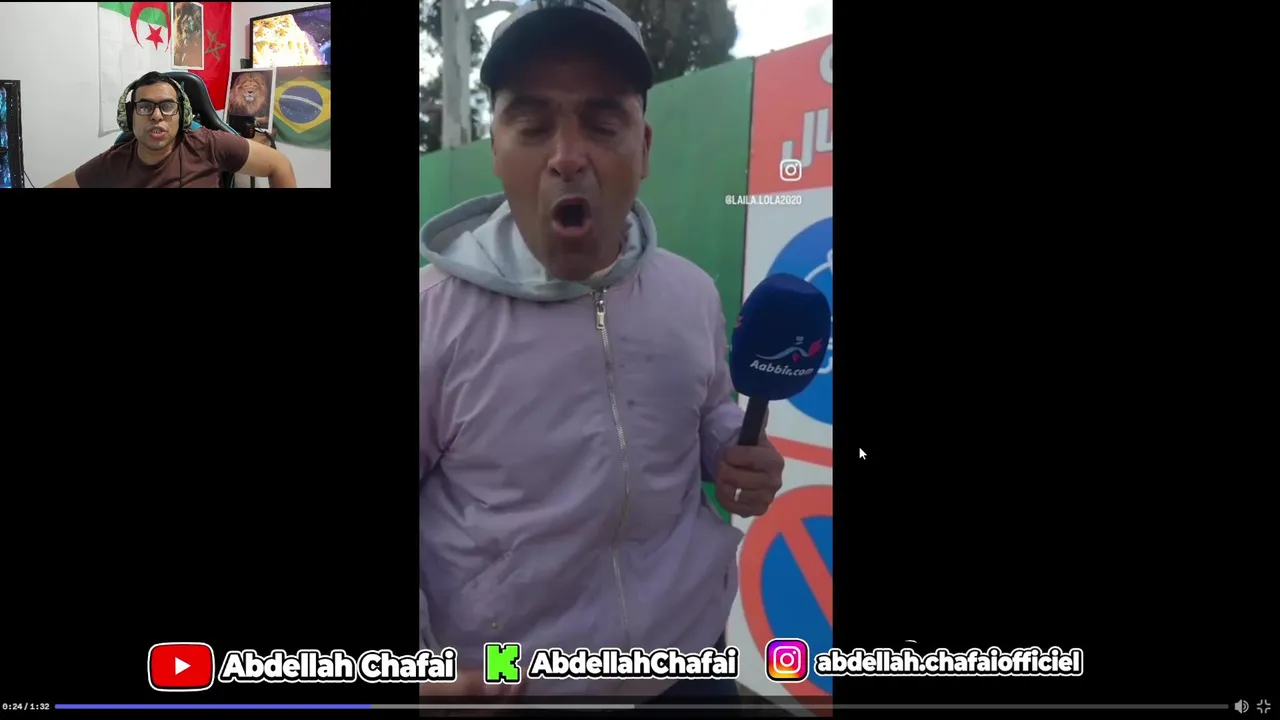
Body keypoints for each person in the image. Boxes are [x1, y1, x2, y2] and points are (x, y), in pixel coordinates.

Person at [418, 0, 786, 704]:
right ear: (496, 147)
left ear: (643, 146)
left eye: (602, 122)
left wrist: (730, 451)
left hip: (687, 664)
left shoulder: (690, 293)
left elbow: (711, 409)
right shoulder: (432, 317)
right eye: (532, 125)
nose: (566, 157)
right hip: (510, 688)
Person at [44, 71, 296, 188]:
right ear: (129, 117)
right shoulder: (113, 162)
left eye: (166, 106)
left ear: (181, 115)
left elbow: (279, 165)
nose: (156, 116)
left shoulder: (209, 144)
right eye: (145, 107)